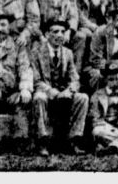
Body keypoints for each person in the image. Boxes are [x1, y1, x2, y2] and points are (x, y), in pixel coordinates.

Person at [29, 18, 89, 156]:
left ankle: (74, 140)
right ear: (46, 34)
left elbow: (75, 78)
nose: (60, 35)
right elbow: (36, 81)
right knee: (39, 97)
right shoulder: (36, 52)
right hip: (47, 92)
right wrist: (54, 93)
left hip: (64, 93)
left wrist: (69, 90)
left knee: (82, 98)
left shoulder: (67, 53)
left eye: (63, 32)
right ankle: (43, 141)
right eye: (55, 32)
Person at [0, 10, 35, 150]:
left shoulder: (18, 46)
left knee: (22, 100)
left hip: (11, 92)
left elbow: (25, 68)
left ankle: (20, 140)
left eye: (3, 25)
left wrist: (25, 88)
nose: (0, 29)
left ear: (9, 26)